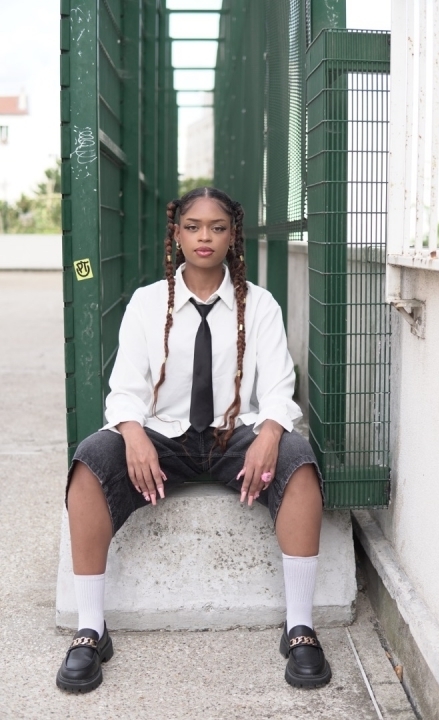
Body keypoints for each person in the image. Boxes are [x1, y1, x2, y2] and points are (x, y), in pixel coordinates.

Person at [56, 187, 332, 693]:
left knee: (298, 460)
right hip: (164, 436)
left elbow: (279, 387)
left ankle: (299, 628)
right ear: (177, 235)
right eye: (193, 226)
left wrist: (271, 432)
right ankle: (90, 629)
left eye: (218, 227)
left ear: (233, 236)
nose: (205, 237)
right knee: (90, 460)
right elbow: (126, 389)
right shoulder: (146, 304)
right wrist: (133, 433)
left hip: (236, 435)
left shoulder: (260, 305)